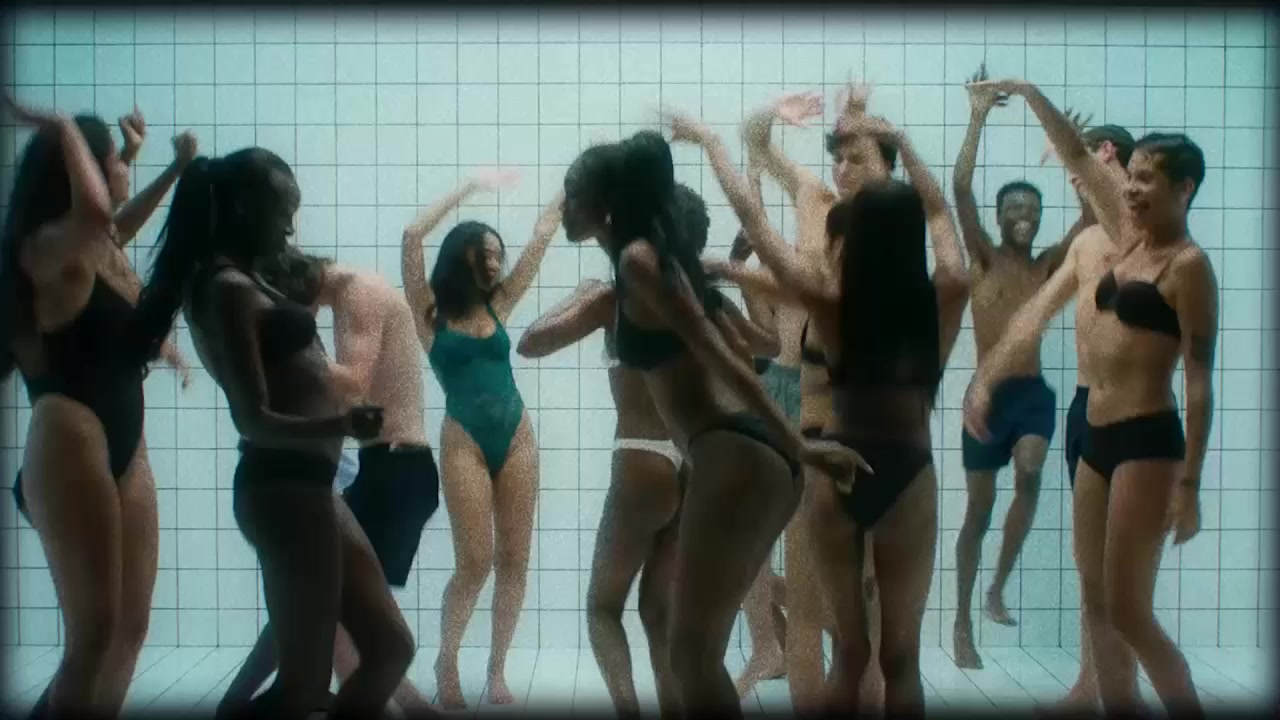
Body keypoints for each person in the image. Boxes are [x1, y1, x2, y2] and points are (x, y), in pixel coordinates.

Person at [560, 130, 862, 717]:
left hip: (731, 454)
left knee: (690, 657)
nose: (563, 208)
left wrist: (801, 445)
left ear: (605, 203)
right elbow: (746, 348)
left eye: (572, 195)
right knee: (697, 654)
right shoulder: (655, 261)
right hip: (746, 457)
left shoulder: (639, 260)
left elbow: (729, 361)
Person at [680, 107, 970, 714]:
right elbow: (941, 214)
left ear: (853, 240)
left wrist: (711, 141)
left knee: (851, 653)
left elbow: (753, 221)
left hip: (837, 468)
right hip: (909, 471)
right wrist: (901, 141)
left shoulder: (832, 306)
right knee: (902, 657)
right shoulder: (946, 294)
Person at [131, 146, 415, 718]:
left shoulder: (244, 278)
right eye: (283, 209)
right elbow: (252, 417)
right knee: (303, 690)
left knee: (390, 648)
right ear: (242, 206)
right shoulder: (224, 289)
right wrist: (341, 423)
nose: (290, 224)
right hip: (283, 490)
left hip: (311, 489)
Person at [964, 77, 1214, 718]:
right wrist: (984, 376)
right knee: (1097, 597)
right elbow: (1030, 316)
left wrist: (1190, 484)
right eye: (1130, 176)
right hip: (1093, 426)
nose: (1129, 187)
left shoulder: (1183, 263)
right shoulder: (1099, 244)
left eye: (1144, 177)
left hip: (1146, 436)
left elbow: (1198, 379)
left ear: (1182, 188)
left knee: (1130, 610)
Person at [518, 183, 776, 717]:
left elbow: (532, 341)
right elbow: (770, 346)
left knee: (602, 608)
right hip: (694, 463)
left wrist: (585, 293)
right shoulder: (708, 302)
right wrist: (734, 268)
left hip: (642, 458)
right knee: (660, 612)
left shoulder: (614, 297)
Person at [0, 97, 194, 718]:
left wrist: (168, 169)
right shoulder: (43, 248)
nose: (124, 170)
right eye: (116, 161)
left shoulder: (93, 246)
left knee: (130, 628)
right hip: (69, 435)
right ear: (81, 168)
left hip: (124, 441)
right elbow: (98, 213)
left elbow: (115, 224)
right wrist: (59, 124)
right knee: (91, 639)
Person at [216, 248, 441, 717]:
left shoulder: (357, 292)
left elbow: (352, 383)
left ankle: (237, 703)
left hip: (393, 466)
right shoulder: (359, 291)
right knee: (325, 604)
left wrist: (285, 355)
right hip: (397, 466)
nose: (304, 316)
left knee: (323, 606)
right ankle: (406, 708)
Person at [729, 86, 892, 709]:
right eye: (838, 157)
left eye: (857, 158)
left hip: (864, 408)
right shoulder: (811, 197)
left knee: (867, 586)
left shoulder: (896, 221)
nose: (842, 169)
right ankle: (786, 671)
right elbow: (753, 140)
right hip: (798, 395)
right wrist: (770, 114)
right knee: (800, 582)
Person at [400, 172, 562, 709]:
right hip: (463, 438)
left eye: (497, 253)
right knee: (475, 561)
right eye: (484, 252)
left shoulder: (500, 303)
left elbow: (542, 235)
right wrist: (469, 187)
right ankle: (446, 659)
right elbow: (411, 236)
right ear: (461, 254)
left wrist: (574, 185)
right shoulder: (429, 312)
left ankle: (496, 670)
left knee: (515, 558)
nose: (495, 262)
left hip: (517, 436)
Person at [948, 64, 1092, 668]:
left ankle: (998, 587)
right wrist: (976, 117)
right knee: (979, 512)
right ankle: (961, 620)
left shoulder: (1049, 265)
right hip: (987, 397)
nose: (1024, 212)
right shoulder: (983, 257)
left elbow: (1092, 216)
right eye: (1013, 205)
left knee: (1031, 472)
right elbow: (960, 189)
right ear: (1002, 215)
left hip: (1032, 395)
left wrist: (1075, 155)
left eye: (1031, 205)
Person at [1047, 122, 1141, 710]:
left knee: (1118, 569)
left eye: (1078, 166)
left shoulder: (1138, 230)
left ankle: (1124, 694)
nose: (1072, 178)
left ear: (1107, 156)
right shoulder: (1087, 239)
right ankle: (1089, 685)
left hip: (1129, 410)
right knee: (1089, 566)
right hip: (1084, 406)